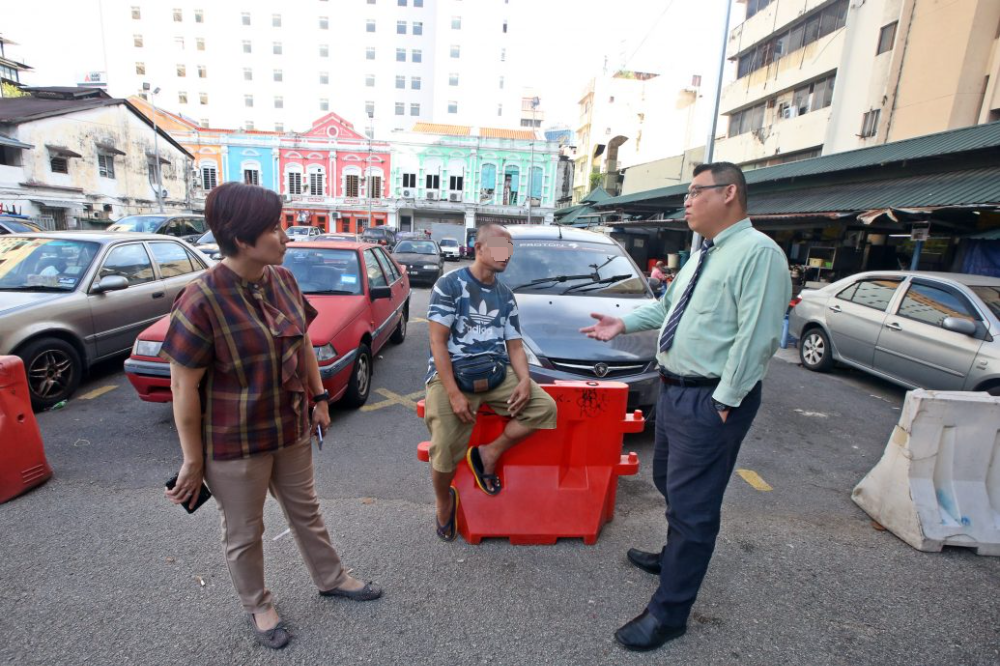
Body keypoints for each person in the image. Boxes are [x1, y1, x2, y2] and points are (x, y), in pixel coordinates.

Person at [162, 182, 381, 651]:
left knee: (307, 511)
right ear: (241, 239)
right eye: (274, 227)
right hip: (234, 440)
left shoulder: (281, 279)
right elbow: (183, 386)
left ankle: (332, 577)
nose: (285, 237)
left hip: (289, 425)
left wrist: (321, 398)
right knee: (245, 529)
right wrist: (192, 461)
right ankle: (259, 604)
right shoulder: (201, 298)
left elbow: (301, 339)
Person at [581, 162, 791, 652]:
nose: (687, 201)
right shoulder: (703, 255)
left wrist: (724, 402)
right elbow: (667, 307)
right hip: (674, 390)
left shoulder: (758, 253)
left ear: (730, 193)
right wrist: (622, 324)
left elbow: (758, 337)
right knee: (668, 480)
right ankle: (674, 554)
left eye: (697, 191)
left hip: (710, 397)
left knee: (695, 508)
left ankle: (669, 613)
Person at [424, 224, 558, 541]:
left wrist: (525, 379)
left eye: (509, 249)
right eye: (500, 247)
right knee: (442, 449)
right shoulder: (450, 285)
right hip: (452, 373)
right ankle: (444, 500)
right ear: (479, 248)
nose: (506, 255)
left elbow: (514, 345)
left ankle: (488, 454)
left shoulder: (505, 296)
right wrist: (454, 394)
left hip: (496, 372)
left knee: (544, 408)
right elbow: (437, 342)